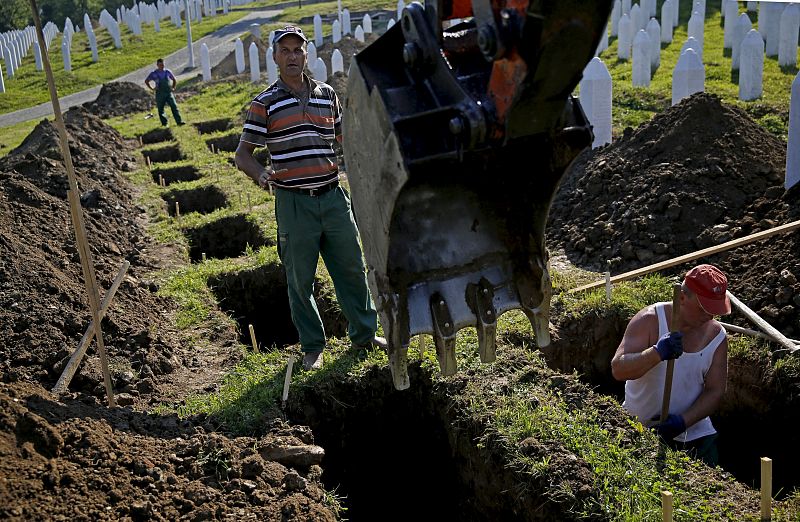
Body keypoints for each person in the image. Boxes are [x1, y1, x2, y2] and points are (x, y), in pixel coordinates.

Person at [234, 25, 386, 371]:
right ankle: (313, 347)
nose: (292, 56)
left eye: (297, 51)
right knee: (300, 280)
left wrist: (364, 164)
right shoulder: (265, 104)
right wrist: (259, 173)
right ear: (274, 57)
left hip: (333, 197)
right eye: (285, 51)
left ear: (306, 55)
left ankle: (364, 334)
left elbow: (343, 137)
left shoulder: (327, 94)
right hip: (294, 203)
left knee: (351, 269)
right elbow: (242, 154)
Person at [610, 264, 730, 466]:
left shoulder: (716, 337)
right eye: (703, 309)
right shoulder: (649, 320)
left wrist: (682, 422)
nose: (710, 317)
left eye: (714, 310)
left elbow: (715, 391)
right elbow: (619, 369)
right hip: (639, 430)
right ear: (682, 298)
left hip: (695, 437)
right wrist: (656, 353)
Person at [144, 58, 185, 127]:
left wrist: (173, 87)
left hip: (168, 93)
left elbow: (174, 79)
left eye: (162, 65)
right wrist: (152, 88)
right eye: (160, 65)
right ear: (157, 65)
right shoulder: (154, 74)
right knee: (161, 109)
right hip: (160, 94)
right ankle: (164, 124)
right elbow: (146, 81)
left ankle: (179, 121)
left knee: (174, 106)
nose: (161, 66)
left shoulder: (167, 72)